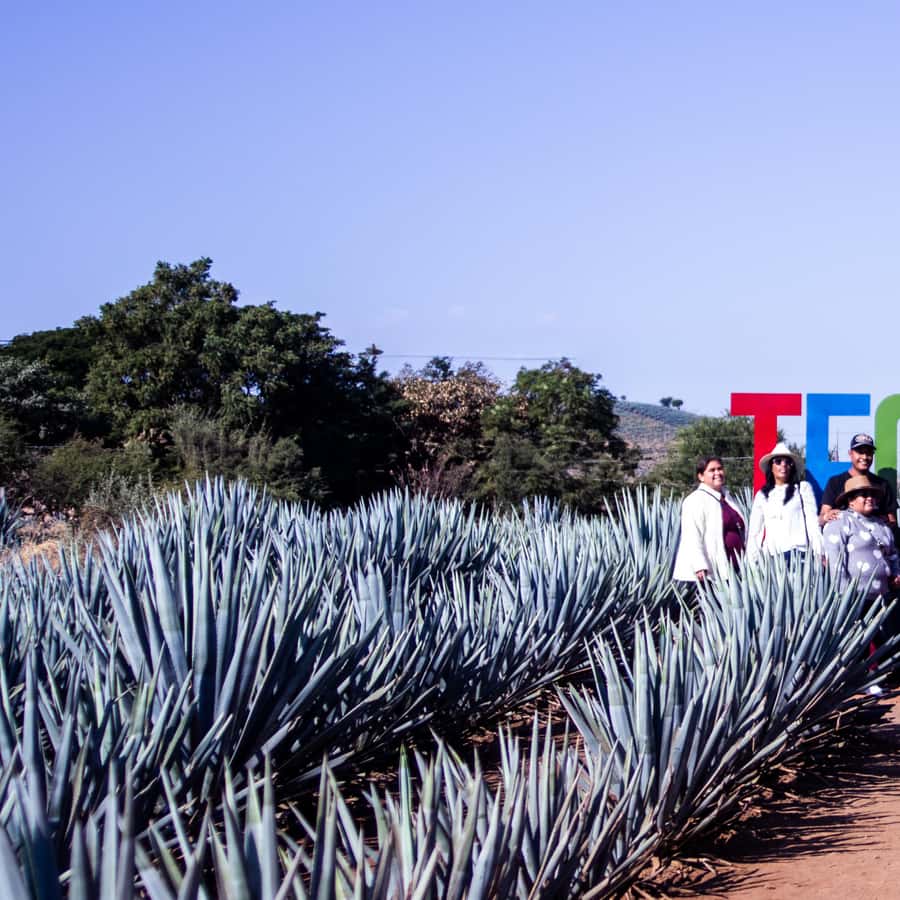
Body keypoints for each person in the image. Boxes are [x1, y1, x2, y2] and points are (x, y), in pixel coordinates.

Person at [823, 474, 900, 695]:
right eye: (863, 494)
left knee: (876, 635)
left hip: (879, 595)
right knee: (859, 639)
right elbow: (835, 558)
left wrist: (895, 573)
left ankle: (875, 677)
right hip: (853, 594)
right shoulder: (839, 522)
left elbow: (892, 554)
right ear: (850, 500)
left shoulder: (880, 524)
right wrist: (843, 592)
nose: (869, 498)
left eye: (872, 494)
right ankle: (862, 681)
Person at [672, 455, 746, 583]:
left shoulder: (727, 497)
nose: (717, 473)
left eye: (720, 469)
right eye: (712, 470)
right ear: (701, 476)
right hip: (709, 575)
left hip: (734, 570)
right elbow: (692, 535)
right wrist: (699, 565)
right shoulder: (695, 500)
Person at [747, 442, 823, 563]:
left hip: (799, 555)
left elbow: (812, 522)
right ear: (771, 467)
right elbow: (755, 531)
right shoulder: (762, 495)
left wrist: (819, 552)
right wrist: (751, 560)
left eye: (788, 462)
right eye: (778, 461)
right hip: (772, 558)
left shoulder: (802, 489)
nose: (783, 465)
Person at [818, 433, 897, 528]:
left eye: (869, 453)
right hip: (844, 540)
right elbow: (822, 517)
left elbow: (892, 521)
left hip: (876, 540)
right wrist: (827, 516)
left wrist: (881, 522)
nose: (864, 457)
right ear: (850, 453)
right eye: (860, 452)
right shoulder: (835, 482)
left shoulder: (883, 484)